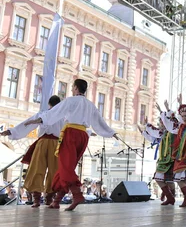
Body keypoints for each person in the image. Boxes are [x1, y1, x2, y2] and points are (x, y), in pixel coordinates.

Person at [23, 79, 116, 211]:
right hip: (83, 136)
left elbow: (54, 113)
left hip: (71, 134)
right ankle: (56, 201)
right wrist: (111, 132)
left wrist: (38, 120)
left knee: (65, 168)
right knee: (65, 168)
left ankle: (77, 195)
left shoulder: (70, 100)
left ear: (76, 88)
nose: (72, 89)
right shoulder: (90, 105)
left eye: (73, 87)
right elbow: (99, 122)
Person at [1, 95, 63, 208]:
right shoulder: (62, 117)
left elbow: (27, 124)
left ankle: (37, 199)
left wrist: (11, 132)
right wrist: (86, 132)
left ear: (49, 104)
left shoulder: (43, 114)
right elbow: (71, 127)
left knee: (37, 169)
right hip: (55, 144)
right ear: (59, 105)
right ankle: (49, 198)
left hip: (43, 143)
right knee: (54, 171)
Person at [139, 104, 179, 206]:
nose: (161, 124)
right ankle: (170, 196)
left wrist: (147, 125)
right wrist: (144, 131)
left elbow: (155, 132)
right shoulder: (164, 132)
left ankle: (170, 197)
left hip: (168, 158)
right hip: (165, 158)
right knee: (166, 180)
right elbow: (153, 137)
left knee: (162, 179)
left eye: (162, 122)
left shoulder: (171, 132)